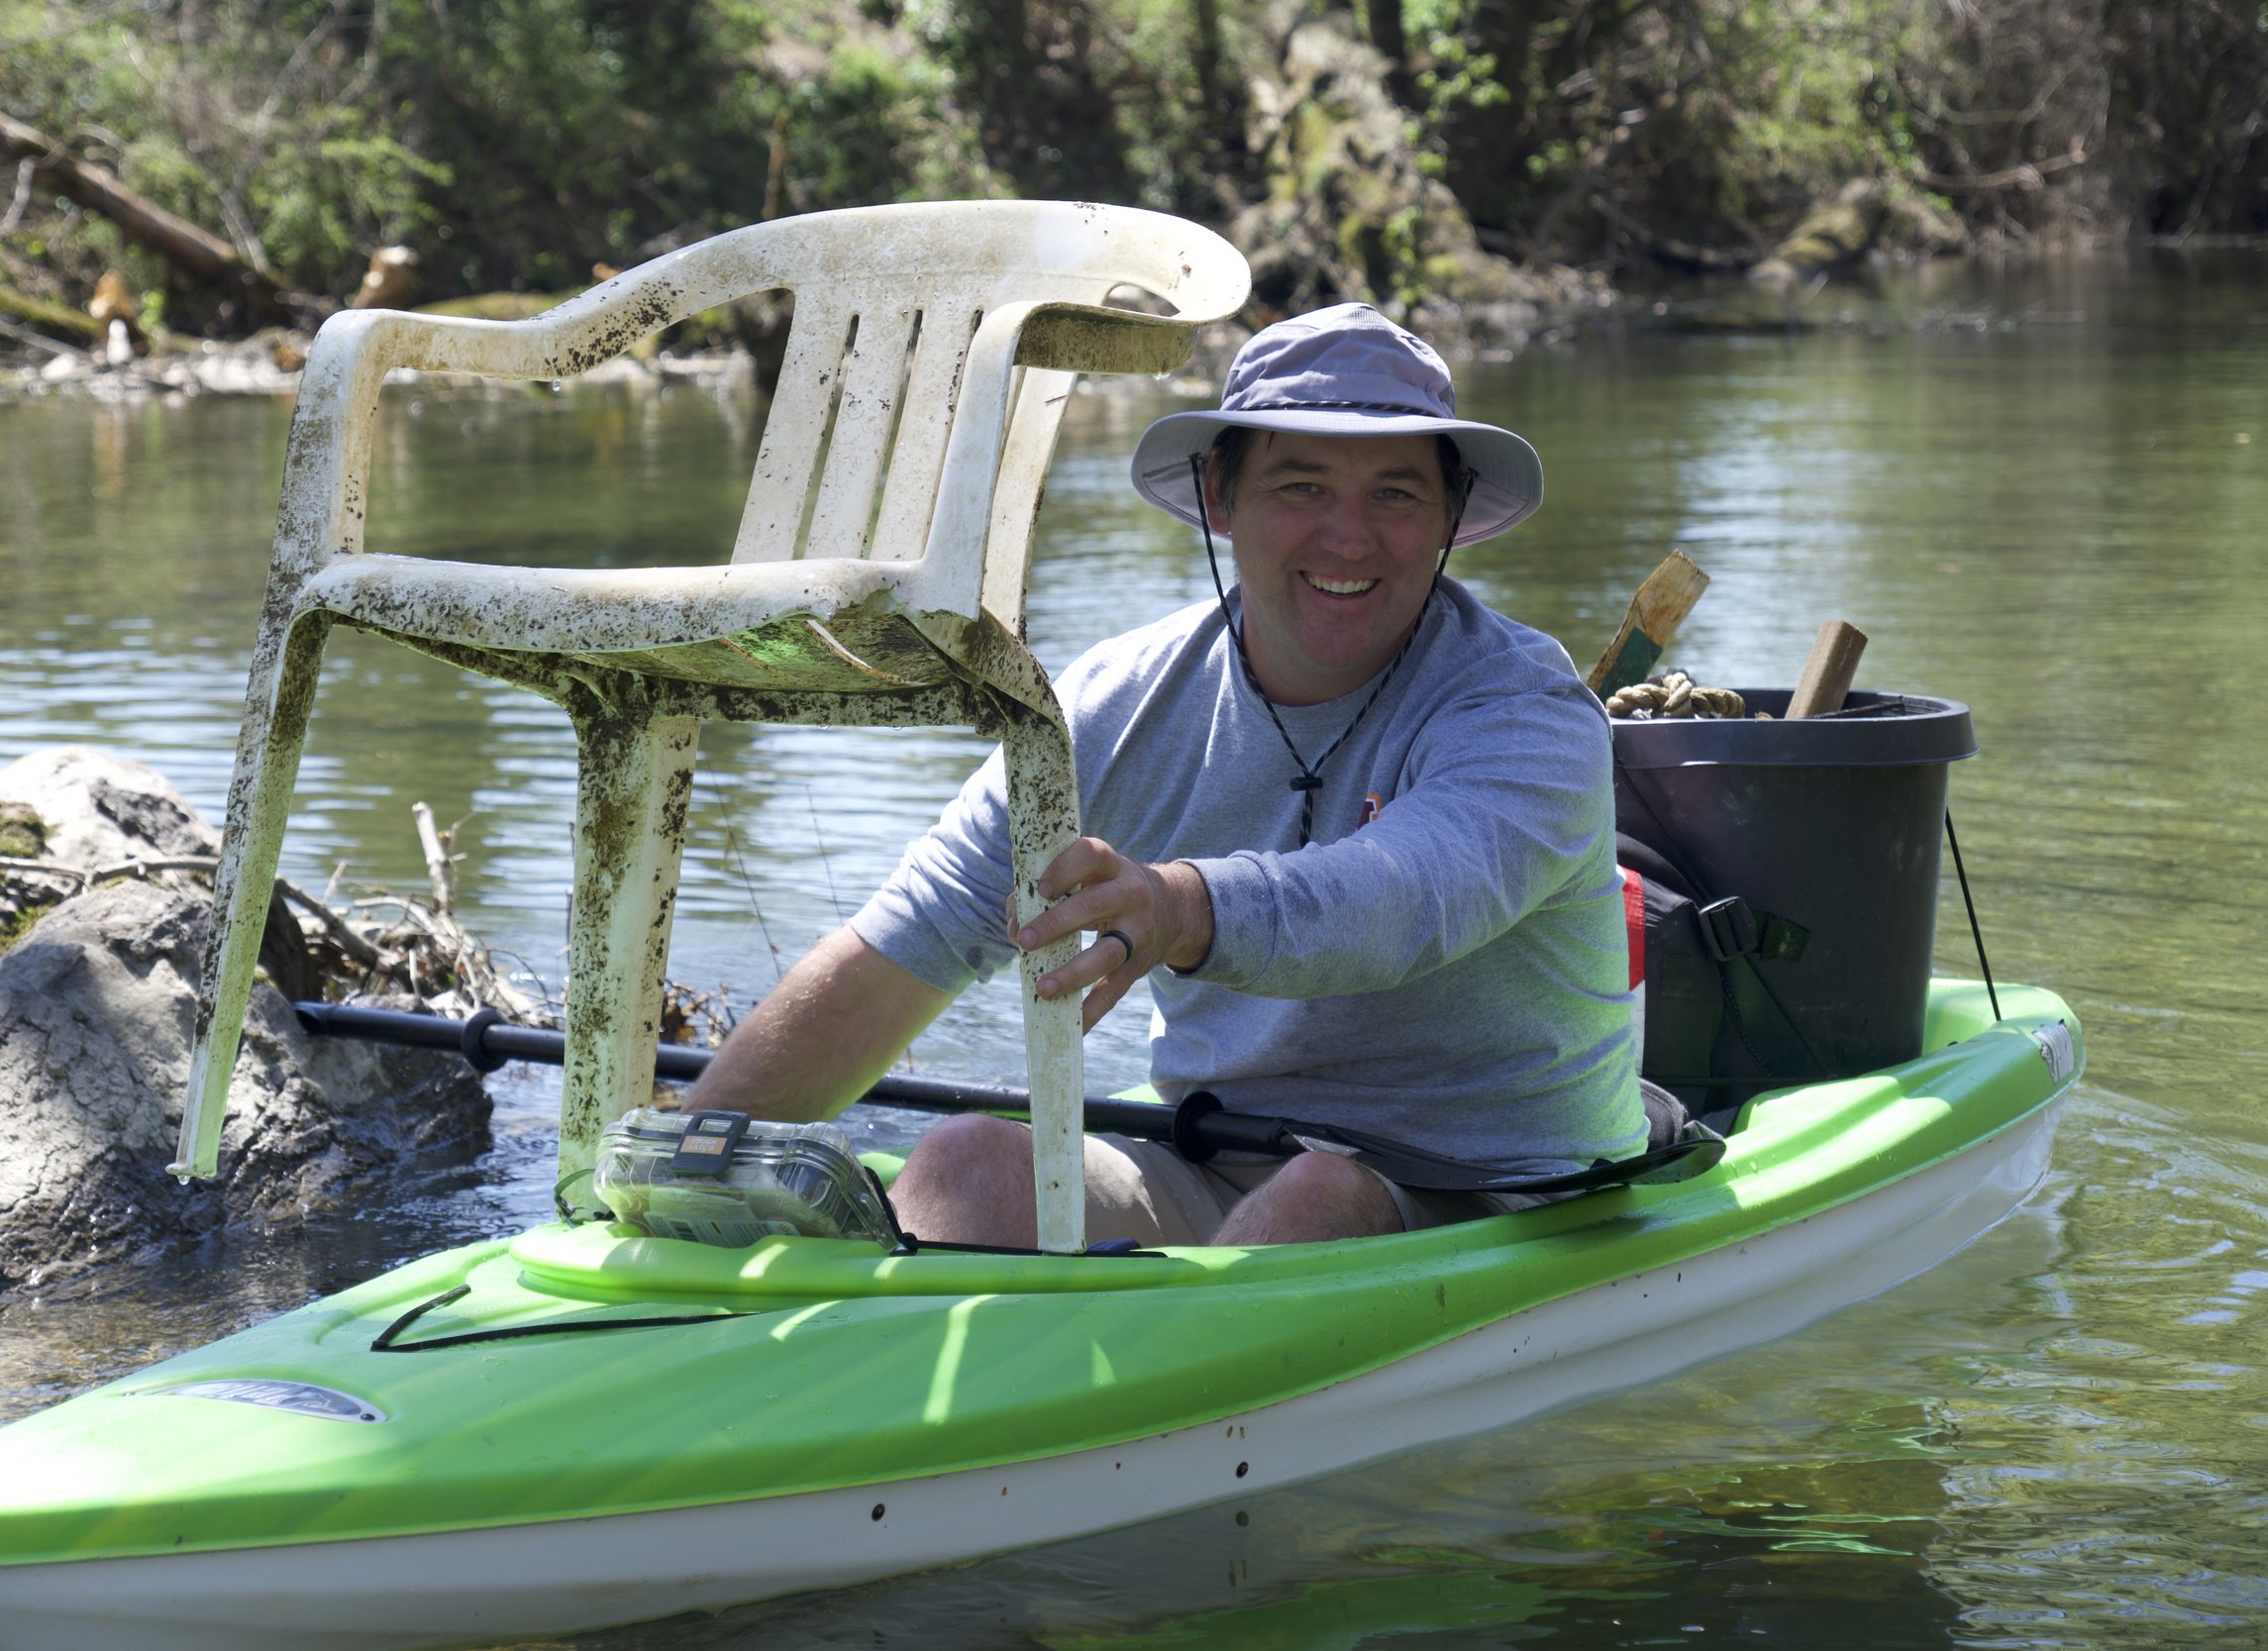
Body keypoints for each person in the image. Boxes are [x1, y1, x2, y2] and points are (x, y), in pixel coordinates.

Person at [687, 302, 1642, 1247]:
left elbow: (1406, 903)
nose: (1348, 537)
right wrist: (688, 1155)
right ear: (1221, 496)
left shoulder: (1529, 713)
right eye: (1301, 486)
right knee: (962, 1165)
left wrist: (1182, 907)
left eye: (1395, 493)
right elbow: (911, 942)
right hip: (1221, 1162)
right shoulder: (1114, 701)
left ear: (1448, 518)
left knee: (1314, 1199)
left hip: (1505, 1187)